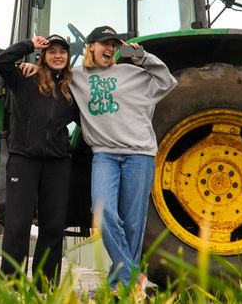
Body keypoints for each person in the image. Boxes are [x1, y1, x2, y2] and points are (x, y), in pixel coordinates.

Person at [68, 25, 177, 294]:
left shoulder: (134, 74)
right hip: (104, 154)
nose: (110, 49)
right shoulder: (76, 77)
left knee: (132, 222)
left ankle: (121, 286)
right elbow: (50, 76)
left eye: (114, 45)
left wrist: (143, 58)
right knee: (102, 213)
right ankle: (132, 275)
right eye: (105, 43)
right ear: (91, 46)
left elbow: (168, 81)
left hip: (139, 155)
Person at [0, 34, 79, 286]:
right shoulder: (25, 78)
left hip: (57, 162)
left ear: (67, 57)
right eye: (51, 51)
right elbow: (2, 62)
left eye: (62, 51)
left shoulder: (73, 88)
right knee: (17, 225)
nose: (57, 55)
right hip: (24, 159)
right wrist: (29, 45)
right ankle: (11, 284)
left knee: (53, 227)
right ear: (43, 55)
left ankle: (46, 284)